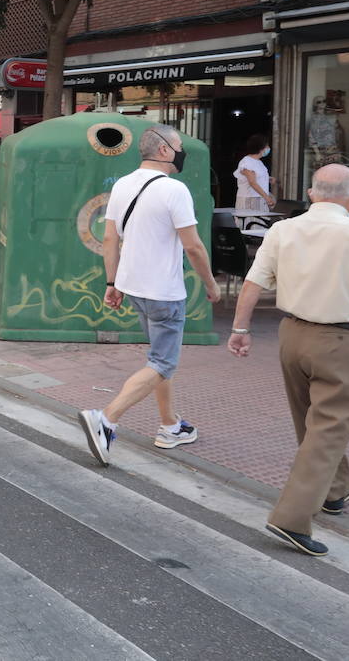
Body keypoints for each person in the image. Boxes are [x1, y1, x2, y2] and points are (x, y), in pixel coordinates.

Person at [227, 163, 349, 557]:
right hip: (340, 340)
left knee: (310, 422)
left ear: (312, 193)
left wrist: (241, 329)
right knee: (330, 428)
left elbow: (254, 281)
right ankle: (291, 517)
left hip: (293, 336)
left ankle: (334, 491)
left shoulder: (283, 229)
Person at [78, 125, 222, 465]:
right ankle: (106, 418)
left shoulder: (123, 184)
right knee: (163, 362)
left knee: (158, 359)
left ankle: (170, 425)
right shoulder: (174, 190)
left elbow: (110, 239)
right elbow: (193, 246)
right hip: (163, 291)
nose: (181, 152)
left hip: (133, 287)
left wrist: (112, 283)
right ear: (163, 151)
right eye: (178, 146)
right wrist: (211, 284)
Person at [235, 134, 276, 211]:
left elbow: (256, 177)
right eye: (267, 146)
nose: (268, 148)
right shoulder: (247, 162)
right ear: (261, 148)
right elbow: (252, 182)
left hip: (259, 199)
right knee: (252, 222)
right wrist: (266, 197)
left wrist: (268, 178)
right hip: (250, 200)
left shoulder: (259, 162)